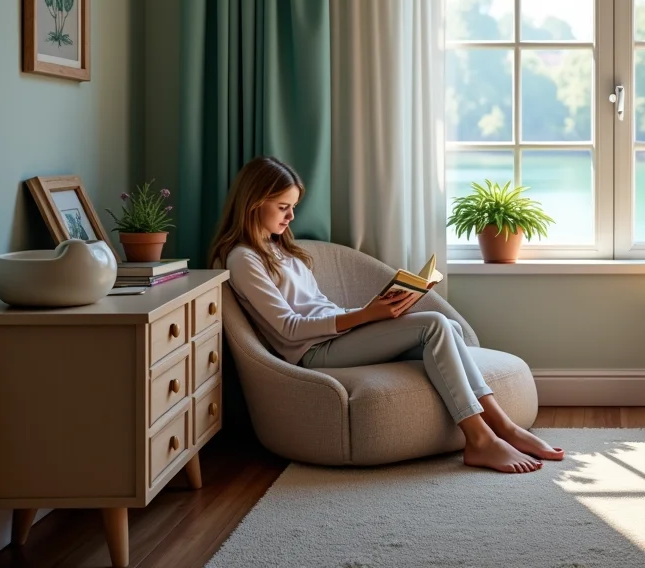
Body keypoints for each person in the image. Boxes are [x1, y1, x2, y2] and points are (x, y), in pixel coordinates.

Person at [209, 156, 563, 473]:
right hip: (314, 353)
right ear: (255, 204)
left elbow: (319, 308)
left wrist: (376, 312)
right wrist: (365, 316)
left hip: (339, 336)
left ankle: (503, 427)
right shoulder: (243, 259)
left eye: (293, 207)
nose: (291, 216)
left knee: (448, 326)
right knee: (436, 325)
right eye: (284, 206)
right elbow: (289, 328)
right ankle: (480, 440)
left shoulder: (279, 248)